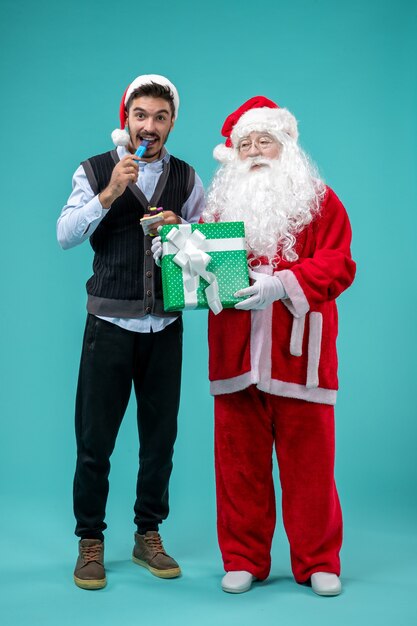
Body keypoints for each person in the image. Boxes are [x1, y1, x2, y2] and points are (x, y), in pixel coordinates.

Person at [203, 96, 356, 595]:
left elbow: (338, 263)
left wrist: (283, 283)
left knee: (311, 466)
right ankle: (244, 556)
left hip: (300, 356)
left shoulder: (319, 199)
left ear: (285, 144)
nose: (254, 151)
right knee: (239, 464)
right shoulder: (218, 207)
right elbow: (198, 272)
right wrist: (178, 255)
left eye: (263, 140)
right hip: (237, 353)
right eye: (244, 143)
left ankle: (318, 561)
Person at [57, 74, 205, 590]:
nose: (150, 125)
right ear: (126, 120)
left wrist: (180, 231)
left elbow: (205, 252)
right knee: (94, 440)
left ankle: (148, 534)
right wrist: (111, 191)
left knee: (159, 440)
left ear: (171, 123)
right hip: (109, 324)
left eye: (160, 117)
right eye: (140, 115)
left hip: (165, 325)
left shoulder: (186, 179)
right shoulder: (95, 169)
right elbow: (64, 235)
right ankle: (90, 541)